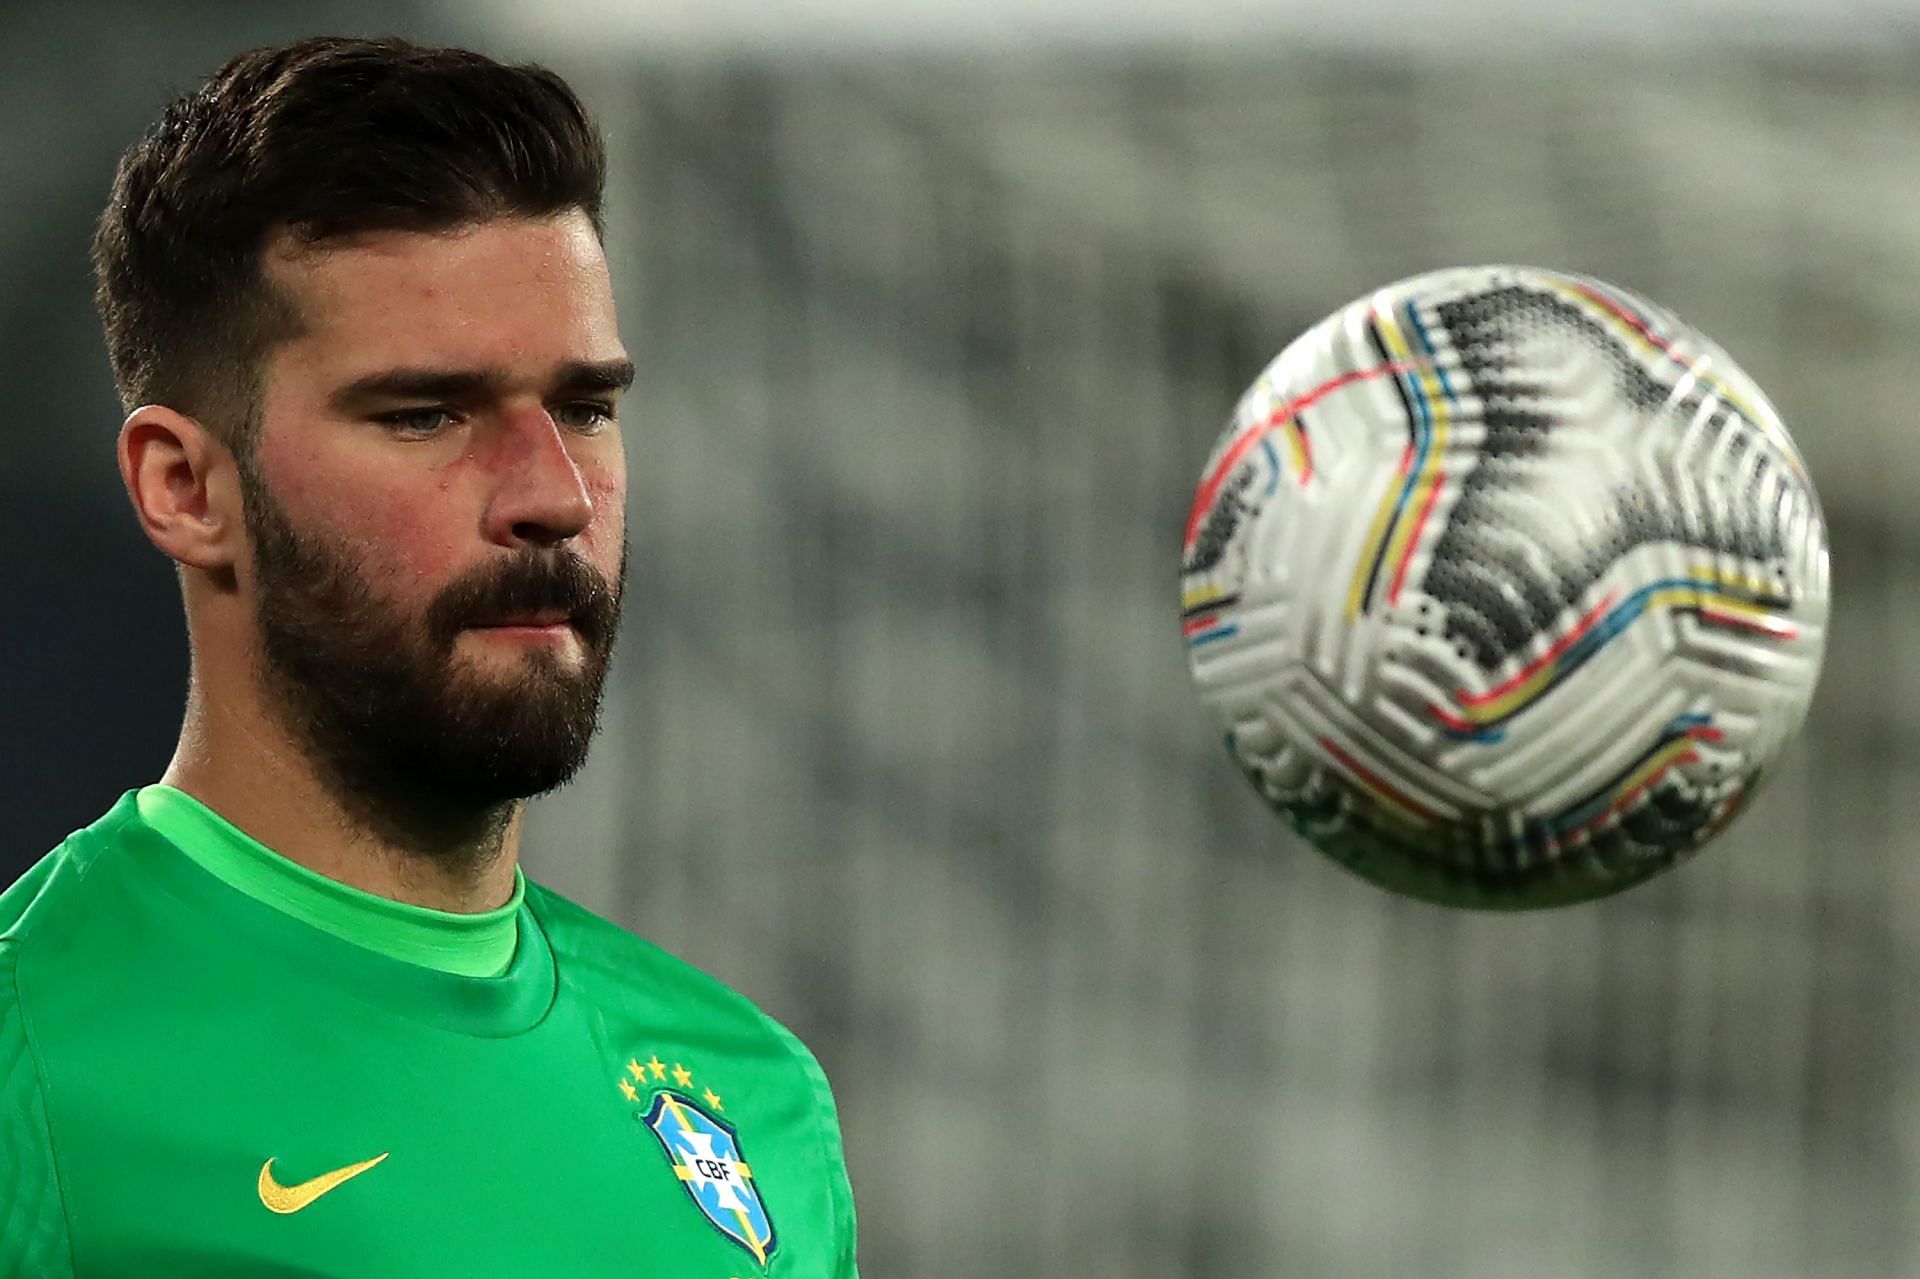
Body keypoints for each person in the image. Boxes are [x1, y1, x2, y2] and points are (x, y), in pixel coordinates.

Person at [0, 36, 857, 1277]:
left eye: (585, 407)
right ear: (186, 488)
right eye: (426, 413)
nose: (553, 496)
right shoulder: (33, 1063)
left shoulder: (754, 1094)